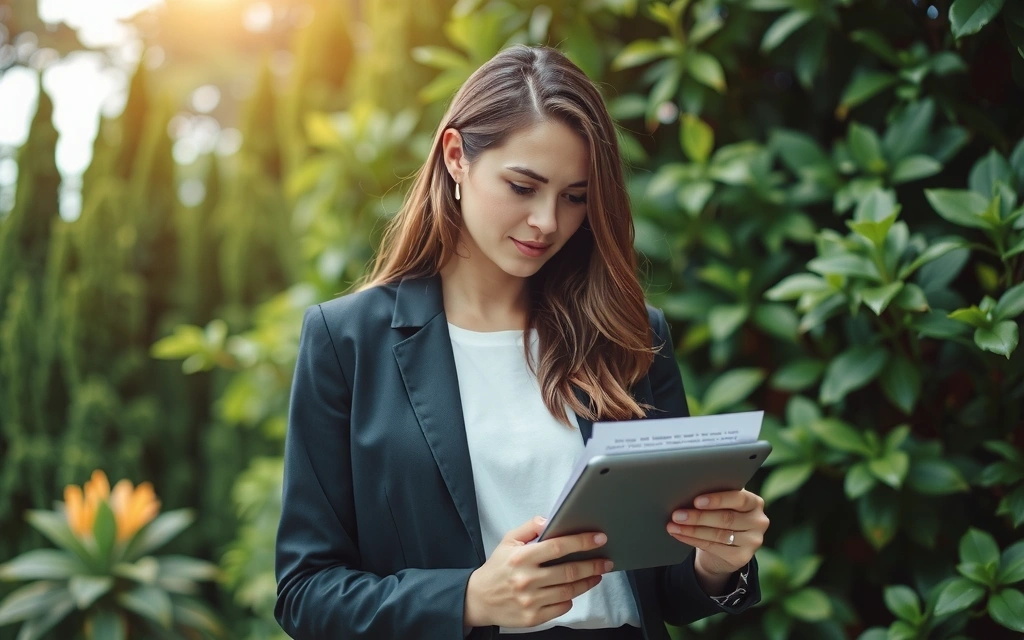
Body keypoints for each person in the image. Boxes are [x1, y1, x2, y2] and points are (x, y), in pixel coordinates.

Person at [274, 44, 769, 640]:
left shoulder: (629, 333)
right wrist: (468, 599)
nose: (547, 222)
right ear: (456, 157)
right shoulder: (347, 341)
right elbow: (305, 594)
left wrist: (717, 562)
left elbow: (662, 585)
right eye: (522, 186)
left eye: (574, 197)